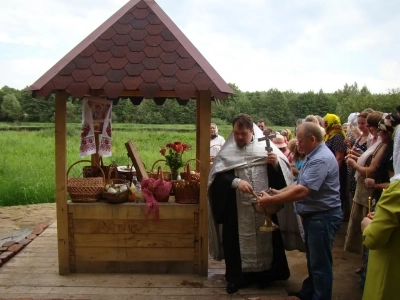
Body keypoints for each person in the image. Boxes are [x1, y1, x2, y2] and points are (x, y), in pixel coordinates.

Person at [208, 113, 304, 294]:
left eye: (243, 134)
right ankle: (236, 278)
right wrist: (236, 182)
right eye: (236, 133)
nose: (239, 137)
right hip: (237, 210)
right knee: (235, 243)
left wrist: (276, 165)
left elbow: (282, 180)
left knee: (266, 240)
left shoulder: (266, 149)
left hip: (264, 206)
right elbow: (217, 179)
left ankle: (264, 276)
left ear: (252, 131)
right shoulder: (228, 152)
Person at [258, 122, 343, 300]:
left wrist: (271, 200)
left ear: (313, 139)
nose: (298, 145)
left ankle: (320, 296)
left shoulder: (320, 159)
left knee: (320, 265)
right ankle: (309, 293)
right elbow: (300, 183)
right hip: (316, 217)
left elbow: (304, 190)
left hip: (322, 217)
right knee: (314, 261)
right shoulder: (314, 155)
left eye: (301, 141)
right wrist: (280, 191)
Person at [360, 119, 400, 300]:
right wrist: (383, 217)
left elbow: (374, 238)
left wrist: (367, 223)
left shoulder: (395, 191)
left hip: (390, 272)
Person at [323, 113, 348, 216]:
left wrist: (332, 173)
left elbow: (339, 157)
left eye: (326, 122)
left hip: (337, 170)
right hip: (329, 168)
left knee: (338, 192)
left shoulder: (338, 136)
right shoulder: (328, 135)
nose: (324, 124)